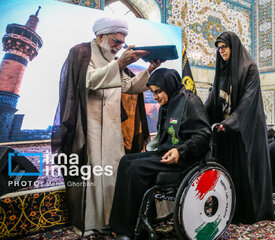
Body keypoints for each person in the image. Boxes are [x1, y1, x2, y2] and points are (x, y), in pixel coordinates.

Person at [51, 17, 161, 235]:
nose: (118, 47)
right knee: (93, 172)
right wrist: (120, 63)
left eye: (121, 43)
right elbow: (88, 80)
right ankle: (92, 222)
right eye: (116, 41)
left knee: (113, 171)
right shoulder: (81, 52)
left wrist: (150, 69)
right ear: (100, 36)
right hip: (88, 124)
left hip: (111, 127)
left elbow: (128, 86)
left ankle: (112, 218)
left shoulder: (113, 59)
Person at [109, 68, 211, 239]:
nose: (155, 97)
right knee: (126, 161)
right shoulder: (168, 104)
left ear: (169, 86)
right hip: (166, 153)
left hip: (186, 160)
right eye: (153, 92)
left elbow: (204, 135)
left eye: (158, 92)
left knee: (136, 168)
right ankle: (121, 224)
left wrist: (180, 151)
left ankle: (131, 229)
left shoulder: (190, 102)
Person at [205, 31, 275, 224]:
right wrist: (199, 115)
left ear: (233, 47)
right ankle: (226, 207)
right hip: (225, 130)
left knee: (245, 170)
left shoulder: (249, 67)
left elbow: (248, 101)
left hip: (246, 128)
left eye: (224, 47)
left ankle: (248, 211)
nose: (221, 52)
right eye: (218, 48)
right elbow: (212, 98)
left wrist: (230, 122)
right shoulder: (222, 69)